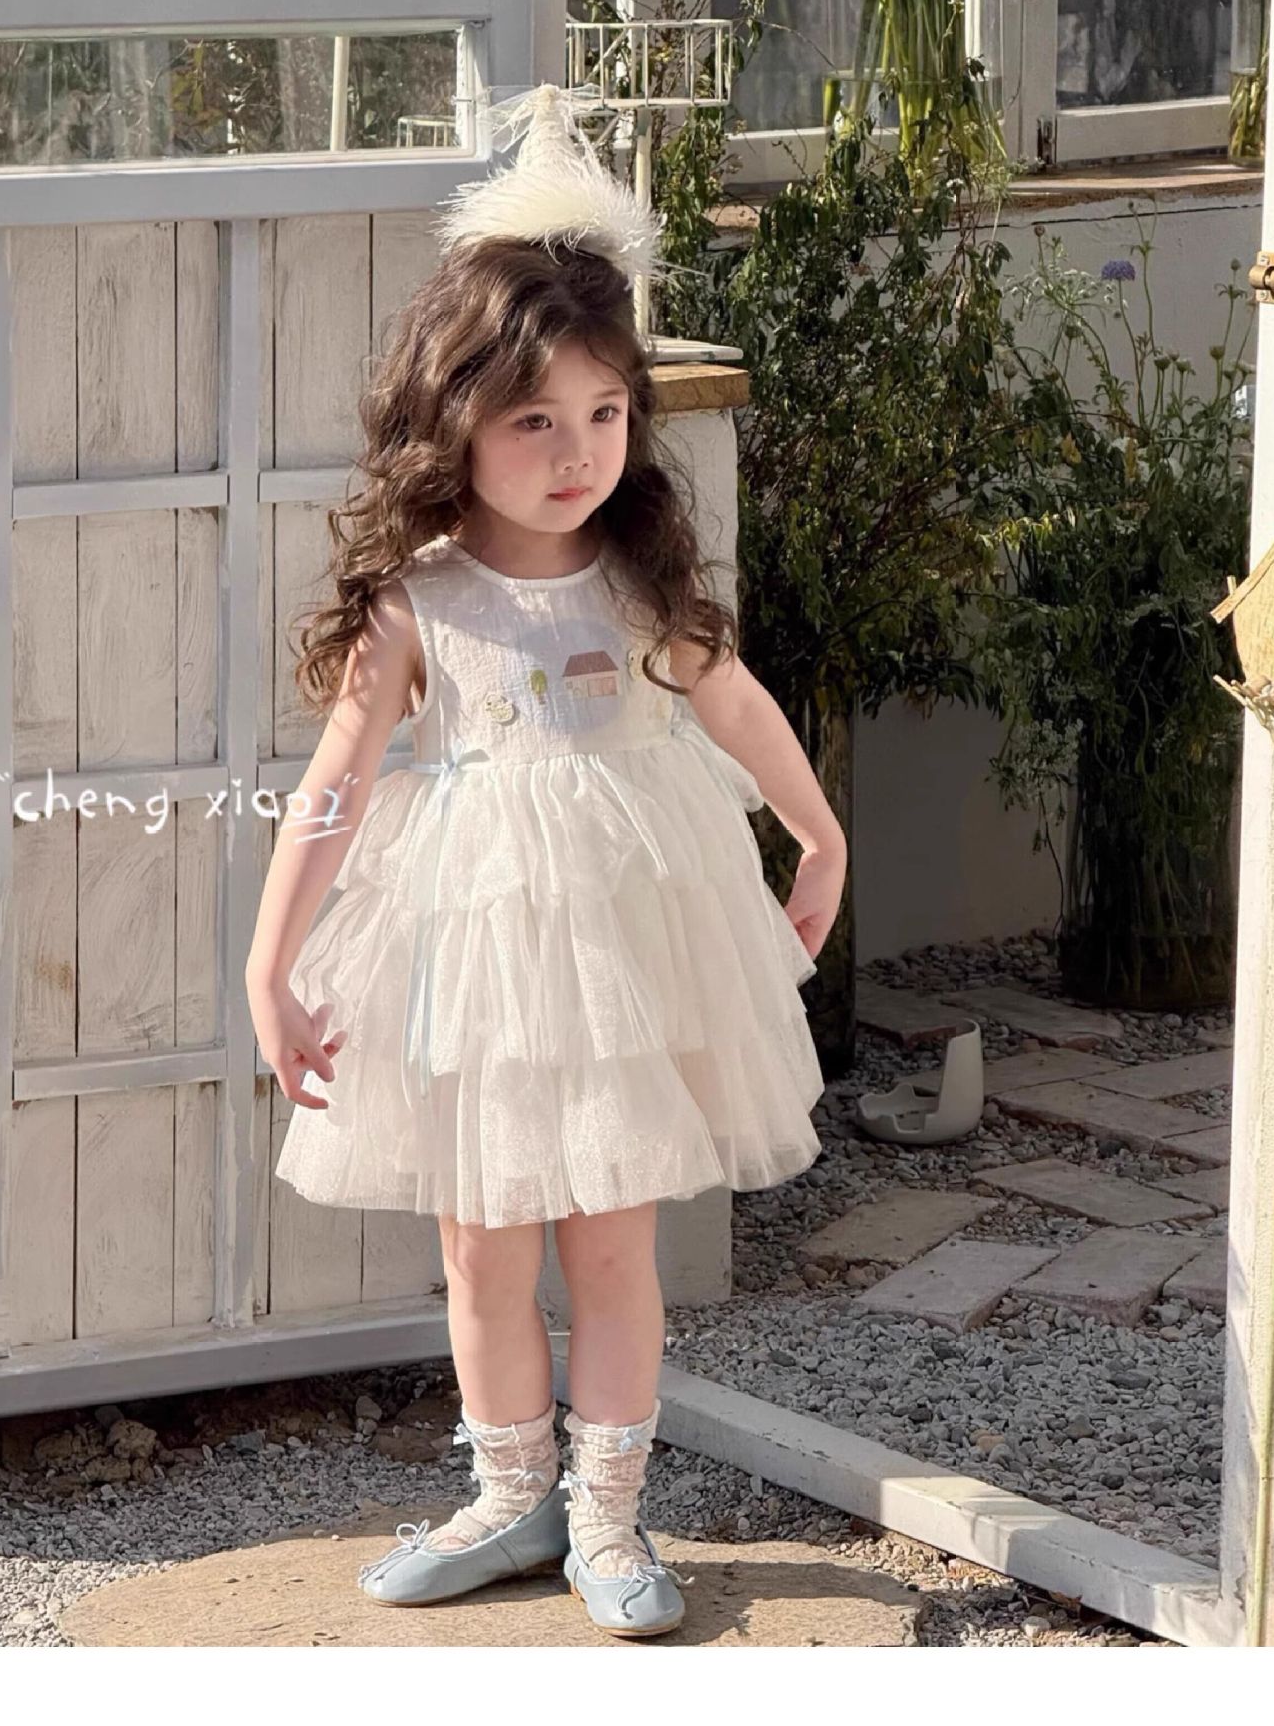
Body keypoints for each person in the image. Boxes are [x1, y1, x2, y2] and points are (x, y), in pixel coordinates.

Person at [244, 85, 847, 1638]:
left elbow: (731, 700)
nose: (575, 451)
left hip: (620, 960)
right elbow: (335, 784)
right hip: (471, 962)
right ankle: (509, 1498)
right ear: (453, 418)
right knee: (480, 1242)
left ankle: (608, 1518)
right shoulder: (419, 601)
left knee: (613, 1239)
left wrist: (816, 825)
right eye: (532, 421)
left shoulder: (638, 581)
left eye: (603, 415)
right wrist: (269, 959)